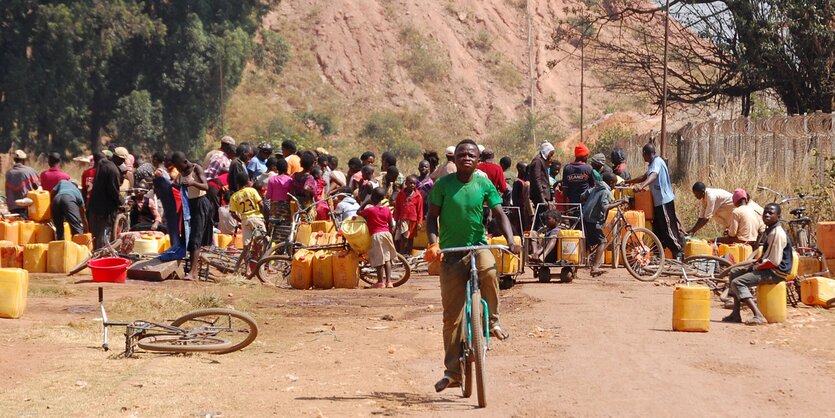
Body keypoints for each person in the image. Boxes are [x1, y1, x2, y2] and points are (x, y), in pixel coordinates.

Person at [424, 139, 522, 393]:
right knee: (451, 318)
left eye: (471, 155)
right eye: (461, 154)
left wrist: (511, 241)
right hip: (451, 253)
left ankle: (492, 323)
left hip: (478, 246)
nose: (466, 158)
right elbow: (432, 218)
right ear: (454, 160)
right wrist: (433, 244)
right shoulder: (442, 185)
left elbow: (500, 214)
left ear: (478, 160)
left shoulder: (484, 183)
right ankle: (452, 372)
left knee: (490, 272)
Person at [723, 203, 792, 325]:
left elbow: (773, 262)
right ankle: (736, 313)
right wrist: (756, 263)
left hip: (776, 272)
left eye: (771, 213)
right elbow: (767, 256)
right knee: (734, 272)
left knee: (738, 282)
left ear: (778, 216)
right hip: (769, 267)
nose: (766, 215)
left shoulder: (777, 234)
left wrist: (755, 267)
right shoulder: (769, 230)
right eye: (765, 212)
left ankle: (758, 315)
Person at [627, 143, 683, 259]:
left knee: (668, 229)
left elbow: (653, 176)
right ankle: (659, 255)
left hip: (664, 200)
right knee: (659, 228)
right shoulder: (652, 164)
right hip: (658, 202)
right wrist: (629, 182)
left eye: (643, 155)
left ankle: (678, 251)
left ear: (646, 154)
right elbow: (644, 176)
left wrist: (641, 186)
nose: (643, 157)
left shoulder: (657, 162)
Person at [171, 152, 212, 280]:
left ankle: (193, 273)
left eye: (178, 166)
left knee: (196, 237)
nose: (177, 169)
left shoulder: (196, 168)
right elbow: (177, 185)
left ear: (184, 162)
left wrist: (193, 183)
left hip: (200, 203)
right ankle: (189, 268)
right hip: (188, 205)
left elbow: (206, 187)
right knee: (187, 235)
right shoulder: (181, 173)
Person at [581, 172, 621, 276]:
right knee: (602, 242)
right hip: (593, 220)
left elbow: (583, 196)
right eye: (614, 184)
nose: (614, 187)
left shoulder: (597, 186)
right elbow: (605, 207)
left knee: (589, 242)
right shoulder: (606, 191)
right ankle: (595, 267)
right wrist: (621, 202)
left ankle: (590, 262)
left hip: (585, 217)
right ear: (611, 183)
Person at [358, 187, 397, 288]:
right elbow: (391, 224)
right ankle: (389, 282)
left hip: (376, 235)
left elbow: (358, 212)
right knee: (387, 259)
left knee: (379, 259)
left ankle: (380, 282)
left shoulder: (370, 210)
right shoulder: (387, 210)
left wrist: (365, 202)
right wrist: (390, 234)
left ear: (372, 197)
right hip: (386, 234)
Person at [88, 148, 124, 249]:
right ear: (119, 158)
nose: (123, 162)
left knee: (94, 235)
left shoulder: (102, 163)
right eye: (123, 160)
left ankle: (93, 256)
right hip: (104, 210)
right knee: (102, 236)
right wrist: (122, 202)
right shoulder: (114, 170)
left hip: (94, 206)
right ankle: (101, 257)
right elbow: (113, 191)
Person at [229, 170, 266, 246]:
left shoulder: (234, 196)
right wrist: (262, 214)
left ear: (237, 183)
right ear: (247, 182)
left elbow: (233, 213)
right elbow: (261, 204)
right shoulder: (252, 191)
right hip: (256, 218)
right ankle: (260, 257)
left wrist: (240, 220)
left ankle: (247, 257)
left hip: (245, 220)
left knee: (247, 244)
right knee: (261, 241)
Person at [5, 150, 40, 218]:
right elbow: (38, 186)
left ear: (14, 159)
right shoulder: (30, 171)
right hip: (27, 206)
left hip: (13, 207)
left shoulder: (9, 173)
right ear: (24, 160)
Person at [394, 175, 423, 254]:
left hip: (413, 220)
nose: (412, 185)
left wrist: (419, 222)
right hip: (403, 219)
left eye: (414, 183)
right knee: (402, 237)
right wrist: (396, 219)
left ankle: (408, 254)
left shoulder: (418, 196)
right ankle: (401, 253)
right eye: (410, 183)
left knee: (410, 238)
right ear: (406, 183)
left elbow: (420, 210)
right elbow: (398, 207)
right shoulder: (401, 194)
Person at [528, 142, 554, 220]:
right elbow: (537, 179)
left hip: (543, 195)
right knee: (541, 219)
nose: (551, 157)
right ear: (546, 151)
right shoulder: (537, 161)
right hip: (540, 196)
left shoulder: (541, 161)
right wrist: (542, 197)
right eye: (550, 154)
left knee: (542, 219)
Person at [265, 158, 293, 224]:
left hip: (274, 207)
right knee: (285, 226)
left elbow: (268, 196)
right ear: (286, 168)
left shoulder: (272, 180)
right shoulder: (290, 180)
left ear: (277, 168)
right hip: (286, 207)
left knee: (274, 226)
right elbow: (291, 195)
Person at [292, 152, 318, 219]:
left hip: (296, 205)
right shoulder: (309, 177)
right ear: (312, 165)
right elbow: (306, 188)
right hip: (307, 207)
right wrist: (306, 196)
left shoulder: (295, 175)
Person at [511, 162, 533, 233]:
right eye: (525, 169)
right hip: (520, 208)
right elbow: (515, 198)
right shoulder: (518, 182)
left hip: (525, 208)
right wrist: (516, 210)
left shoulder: (527, 181)